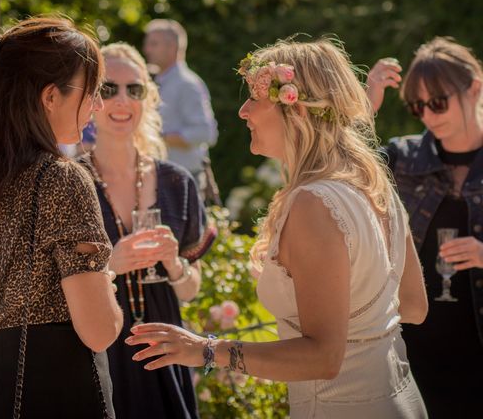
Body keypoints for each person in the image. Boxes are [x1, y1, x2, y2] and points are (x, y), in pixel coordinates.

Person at [127, 38, 429, 418]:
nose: (242, 111)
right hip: (399, 399)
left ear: (296, 109)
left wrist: (206, 349)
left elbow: (323, 357)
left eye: (254, 98)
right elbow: (414, 307)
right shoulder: (374, 185)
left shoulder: (314, 204)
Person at [0, 17, 123, 419]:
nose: (98, 105)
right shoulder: (61, 179)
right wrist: (110, 279)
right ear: (50, 96)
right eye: (93, 91)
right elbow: (100, 329)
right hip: (56, 390)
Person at [77, 42, 215, 419]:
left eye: (134, 89)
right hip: (97, 345)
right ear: (91, 99)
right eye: (109, 88)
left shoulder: (178, 183)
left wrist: (173, 264)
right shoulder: (70, 181)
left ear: (148, 99)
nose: (122, 100)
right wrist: (110, 265)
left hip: (165, 343)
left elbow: (190, 291)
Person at [366, 37, 483, 418]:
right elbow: (339, 178)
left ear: (475, 88)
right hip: (415, 348)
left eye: (438, 102)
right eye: (419, 107)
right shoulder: (403, 158)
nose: (430, 116)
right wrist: (363, 110)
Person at [143, 19, 219, 201]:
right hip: (162, 177)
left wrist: (156, 137)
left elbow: (205, 133)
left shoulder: (187, 84)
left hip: (184, 180)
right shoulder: (158, 81)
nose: (147, 50)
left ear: (172, 47)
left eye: (154, 44)